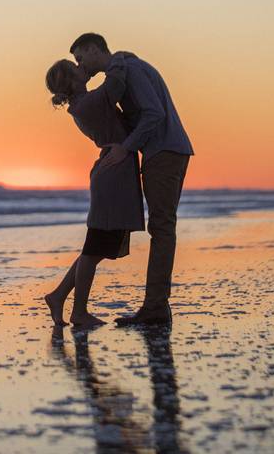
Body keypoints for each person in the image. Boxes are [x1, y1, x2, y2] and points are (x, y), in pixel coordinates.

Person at [70, 33, 193, 326]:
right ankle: (156, 306)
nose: (80, 65)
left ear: (93, 49)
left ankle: (155, 308)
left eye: (80, 58)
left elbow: (153, 113)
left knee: (162, 228)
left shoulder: (130, 69)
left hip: (163, 151)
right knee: (162, 228)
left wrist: (126, 147)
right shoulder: (123, 69)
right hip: (165, 150)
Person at [43, 59, 145, 329]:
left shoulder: (84, 102)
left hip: (114, 172)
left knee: (97, 247)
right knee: (93, 249)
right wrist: (115, 60)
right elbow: (116, 83)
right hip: (112, 175)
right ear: (71, 80)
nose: (81, 67)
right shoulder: (87, 103)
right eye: (75, 67)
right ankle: (78, 312)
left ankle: (58, 296)